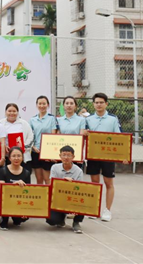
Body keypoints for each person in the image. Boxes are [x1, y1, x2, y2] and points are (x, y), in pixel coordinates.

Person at [84, 92, 128, 222]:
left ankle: (107, 210)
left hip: (108, 156)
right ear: (93, 104)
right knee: (94, 183)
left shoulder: (113, 119)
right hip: (93, 155)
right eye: (96, 102)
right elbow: (84, 136)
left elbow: (120, 137)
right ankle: (94, 209)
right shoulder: (88, 119)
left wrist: (124, 155)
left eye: (101, 102)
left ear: (106, 104)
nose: (99, 105)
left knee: (108, 183)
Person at [46, 145, 85, 233]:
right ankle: (61, 218)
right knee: (51, 220)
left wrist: (72, 183)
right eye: (64, 155)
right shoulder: (55, 167)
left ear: (73, 157)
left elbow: (80, 189)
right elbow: (52, 185)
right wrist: (63, 183)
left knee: (83, 199)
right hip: (59, 198)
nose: (66, 157)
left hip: (73, 197)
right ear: (60, 156)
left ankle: (76, 222)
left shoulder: (78, 171)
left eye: (69, 155)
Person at [0, 146, 31, 230]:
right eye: (14, 156)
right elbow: (1, 190)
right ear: (9, 158)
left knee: (21, 218)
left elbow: (28, 192)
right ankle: (4, 219)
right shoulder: (2, 171)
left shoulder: (26, 173)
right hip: (5, 199)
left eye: (19, 156)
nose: (16, 158)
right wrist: (13, 185)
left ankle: (16, 218)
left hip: (19, 199)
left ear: (22, 158)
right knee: (4, 203)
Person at [29, 96, 59, 185]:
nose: (42, 106)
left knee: (47, 179)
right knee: (39, 179)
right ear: (37, 105)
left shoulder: (52, 118)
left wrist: (51, 152)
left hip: (47, 152)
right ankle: (41, 194)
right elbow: (30, 136)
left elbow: (53, 135)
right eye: (40, 104)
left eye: (44, 104)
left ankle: (49, 194)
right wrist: (33, 147)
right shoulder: (32, 120)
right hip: (36, 151)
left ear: (48, 105)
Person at [0, 103, 34, 171]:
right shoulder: (0, 124)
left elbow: (30, 137)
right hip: (7, 156)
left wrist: (22, 148)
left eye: (14, 111)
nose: (12, 113)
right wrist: (4, 146)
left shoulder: (24, 123)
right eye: (9, 111)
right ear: (5, 112)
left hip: (23, 156)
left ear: (17, 112)